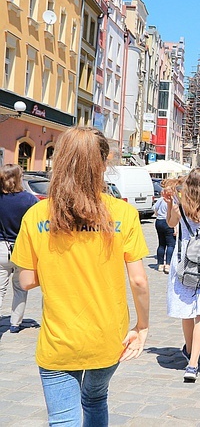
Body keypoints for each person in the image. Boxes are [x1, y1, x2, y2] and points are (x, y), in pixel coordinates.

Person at [11, 127, 150, 425]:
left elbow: (25, 281)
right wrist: (143, 326)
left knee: (63, 419)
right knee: (96, 398)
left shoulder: (37, 214)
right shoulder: (122, 214)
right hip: (108, 337)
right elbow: (139, 280)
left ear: (60, 160)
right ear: (104, 162)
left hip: (59, 338)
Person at [165, 167, 200, 382]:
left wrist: (169, 205)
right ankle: (193, 364)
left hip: (184, 262)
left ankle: (189, 350)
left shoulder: (181, 207)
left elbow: (170, 224)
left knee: (186, 310)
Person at [0, 164, 38, 333]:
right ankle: (15, 323)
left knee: (0, 288)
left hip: (1, 247)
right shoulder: (29, 200)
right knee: (20, 287)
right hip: (22, 249)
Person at [152, 183, 176, 274]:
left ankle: (160, 264)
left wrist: (158, 214)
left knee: (161, 244)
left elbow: (154, 208)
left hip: (159, 221)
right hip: (168, 222)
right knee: (170, 244)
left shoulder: (161, 200)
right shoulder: (172, 201)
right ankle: (168, 264)